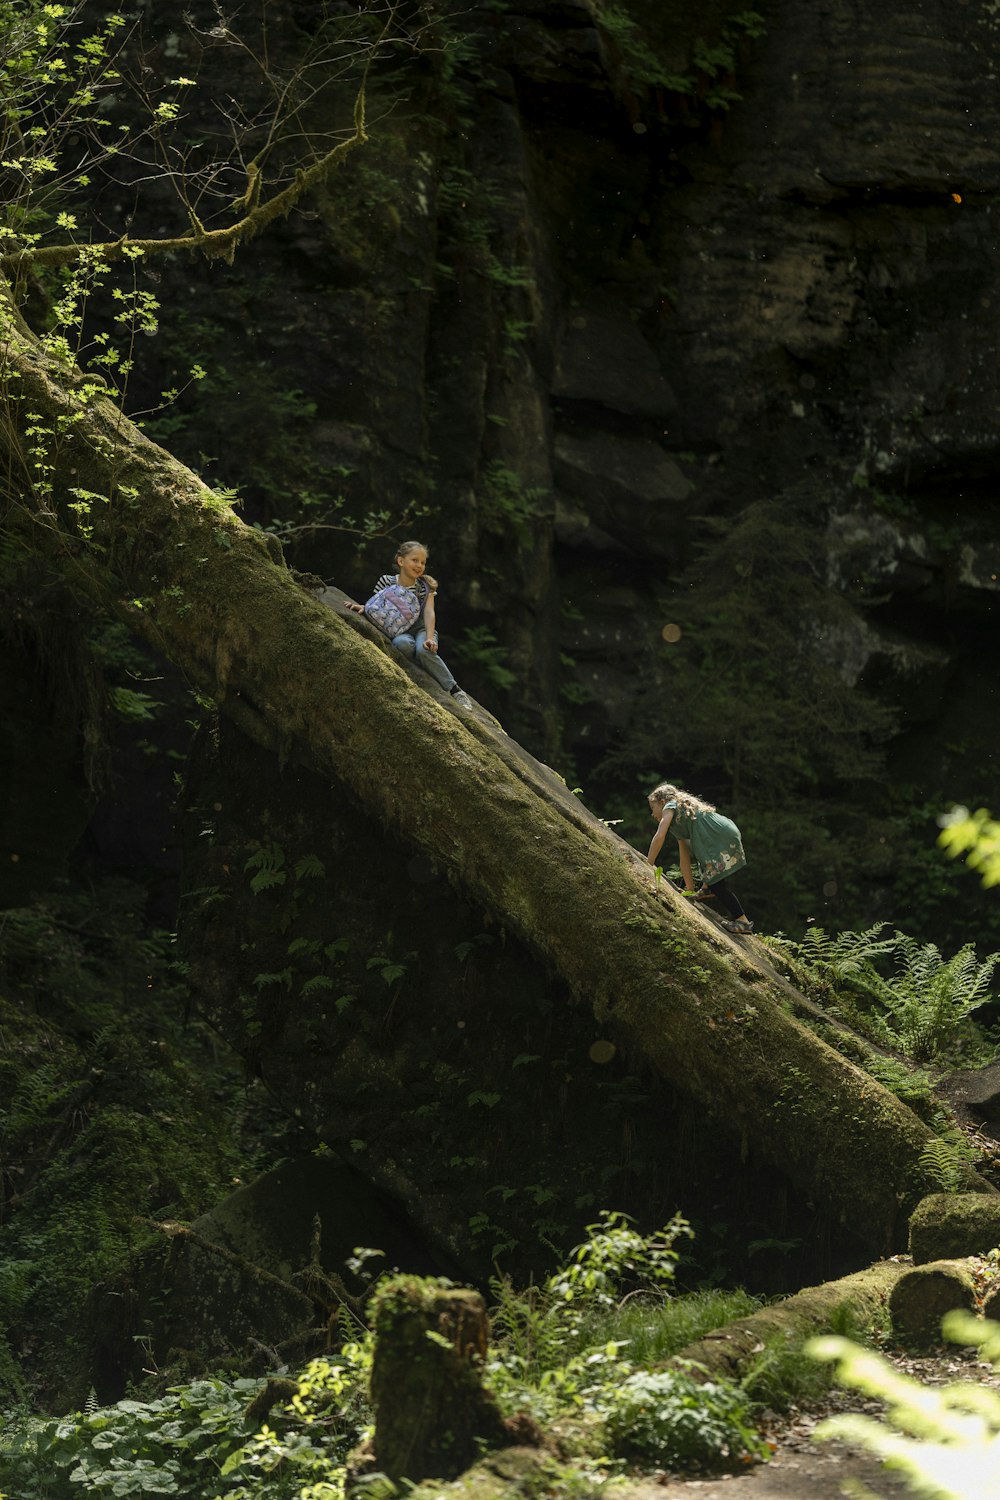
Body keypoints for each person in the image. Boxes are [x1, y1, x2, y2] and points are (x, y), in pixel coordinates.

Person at [346, 540, 472, 707]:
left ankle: (455, 689)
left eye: (423, 562)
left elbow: (429, 612)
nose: (419, 565)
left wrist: (429, 638)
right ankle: (426, 668)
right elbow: (376, 605)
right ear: (401, 561)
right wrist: (363, 607)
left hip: (421, 629)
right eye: (415, 560)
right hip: (399, 631)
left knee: (423, 650)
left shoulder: (424, 587)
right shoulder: (387, 581)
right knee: (402, 644)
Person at [646, 781, 754, 935]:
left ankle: (742, 921)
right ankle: (706, 887)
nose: (652, 813)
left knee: (717, 884)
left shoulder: (670, 806)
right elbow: (684, 856)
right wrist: (689, 890)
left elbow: (659, 835)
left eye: (653, 808)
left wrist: (648, 863)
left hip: (717, 836)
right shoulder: (679, 820)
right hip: (722, 832)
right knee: (713, 876)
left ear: (662, 802)